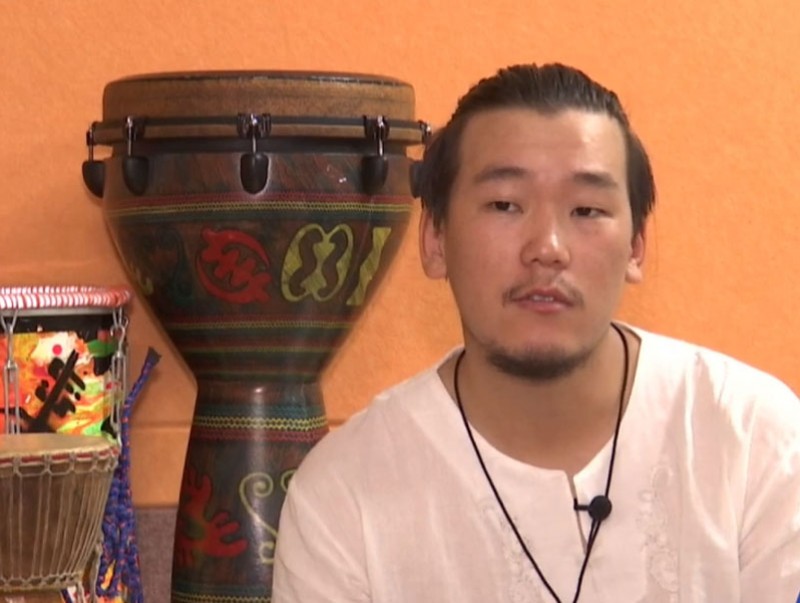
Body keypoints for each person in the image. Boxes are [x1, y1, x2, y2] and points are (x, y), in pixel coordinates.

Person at [271, 63, 800, 602]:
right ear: (435, 240)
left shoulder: (755, 438)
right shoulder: (344, 495)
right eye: (505, 205)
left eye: (586, 210)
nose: (547, 247)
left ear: (636, 246)